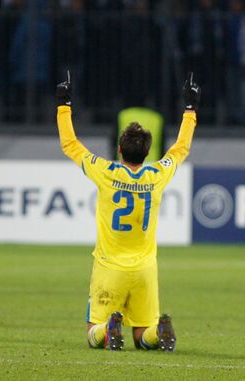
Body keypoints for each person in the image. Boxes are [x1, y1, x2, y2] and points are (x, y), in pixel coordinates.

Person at [55, 71, 201, 351]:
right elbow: (180, 149)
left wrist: (64, 104)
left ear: (119, 149)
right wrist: (190, 109)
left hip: (110, 267)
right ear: (147, 153)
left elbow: (69, 144)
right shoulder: (157, 174)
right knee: (141, 338)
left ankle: (108, 329)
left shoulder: (105, 171)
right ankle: (157, 334)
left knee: (92, 334)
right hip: (145, 269)